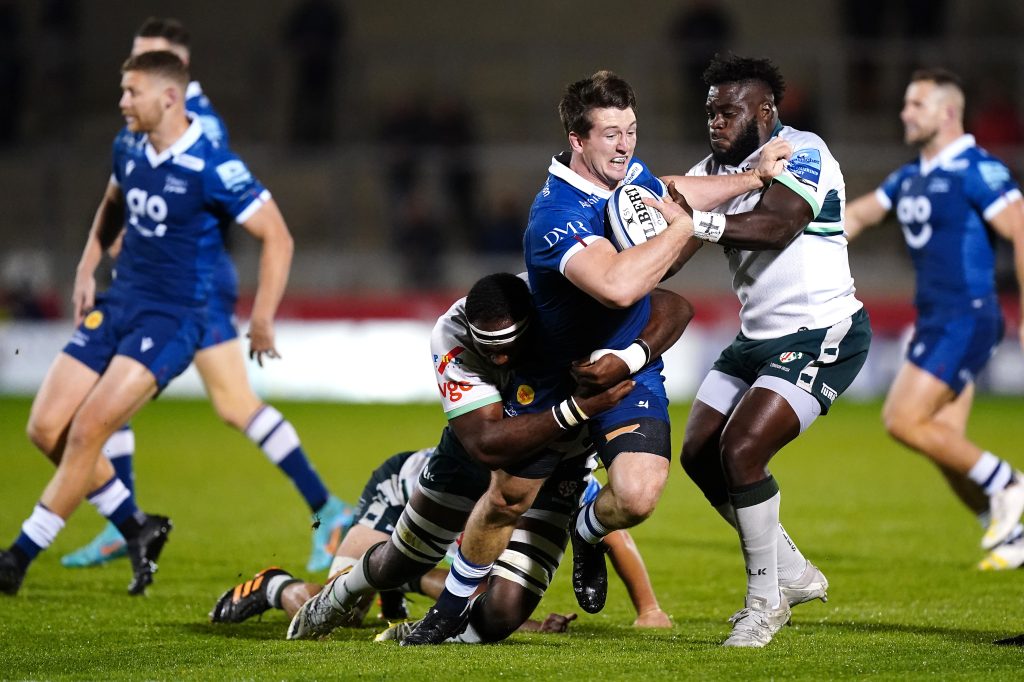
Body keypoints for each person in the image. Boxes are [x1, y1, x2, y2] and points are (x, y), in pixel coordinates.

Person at [399, 69, 793, 646]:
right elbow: (617, 287)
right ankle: (445, 613)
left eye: (631, 130)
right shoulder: (554, 218)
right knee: (508, 500)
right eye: (611, 134)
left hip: (630, 368)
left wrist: (748, 179)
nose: (625, 144)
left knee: (637, 496)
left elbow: (666, 193)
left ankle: (587, 531)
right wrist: (691, 231)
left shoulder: (621, 174)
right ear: (577, 141)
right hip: (559, 375)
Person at [60, 17, 353, 574]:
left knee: (123, 395)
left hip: (189, 288)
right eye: (135, 55)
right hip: (177, 284)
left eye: (150, 58)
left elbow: (223, 206)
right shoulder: (145, 126)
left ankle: (123, 518)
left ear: (177, 73)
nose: (136, 69)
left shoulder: (200, 130)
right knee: (231, 405)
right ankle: (324, 509)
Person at [0, 51, 293, 596]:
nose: (121, 102)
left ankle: (17, 556)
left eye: (131, 92)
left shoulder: (213, 165)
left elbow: (277, 235)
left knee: (89, 430)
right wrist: (89, 263)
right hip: (119, 302)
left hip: (173, 318)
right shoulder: (128, 145)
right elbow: (115, 197)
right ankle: (137, 527)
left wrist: (263, 316)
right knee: (45, 429)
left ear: (169, 98)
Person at [285, 272, 686, 643]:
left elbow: (674, 305)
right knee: (402, 562)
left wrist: (633, 355)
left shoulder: (566, 298)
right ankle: (342, 591)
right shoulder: (451, 333)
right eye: (487, 348)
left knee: (503, 613)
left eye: (507, 347)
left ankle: (430, 629)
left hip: (560, 464)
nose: (497, 360)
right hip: (472, 456)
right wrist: (577, 409)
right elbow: (485, 443)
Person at [654, 54, 872, 648]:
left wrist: (694, 222)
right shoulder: (719, 172)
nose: (716, 123)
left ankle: (765, 600)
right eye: (710, 112)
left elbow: (778, 225)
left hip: (822, 333)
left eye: (729, 111)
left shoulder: (803, 151)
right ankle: (794, 573)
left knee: (742, 449)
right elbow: (671, 221)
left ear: (766, 111)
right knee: (699, 452)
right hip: (756, 340)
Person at [844, 68, 1024, 570]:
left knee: (901, 419)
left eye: (915, 104)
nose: (905, 113)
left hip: (965, 315)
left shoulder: (976, 168)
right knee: (946, 446)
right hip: (937, 320)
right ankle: (1013, 531)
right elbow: (857, 216)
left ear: (947, 112)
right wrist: (799, 234)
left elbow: (1021, 229)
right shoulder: (910, 176)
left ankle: (1009, 483)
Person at [210, 447, 671, 631]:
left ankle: (398, 581)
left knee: (451, 579)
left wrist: (649, 610)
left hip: (447, 521)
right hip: (400, 490)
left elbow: (612, 535)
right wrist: (525, 624)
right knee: (343, 610)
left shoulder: (564, 483)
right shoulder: (505, 488)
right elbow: (470, 587)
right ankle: (274, 585)